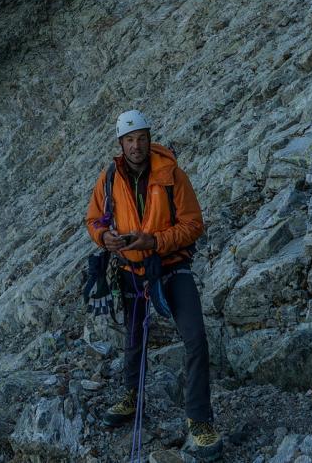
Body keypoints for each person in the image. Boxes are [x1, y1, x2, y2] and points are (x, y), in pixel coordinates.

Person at [85, 109, 223, 460]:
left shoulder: (171, 174)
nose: (136, 145)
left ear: (149, 139)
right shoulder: (109, 178)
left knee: (195, 339)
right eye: (130, 140)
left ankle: (200, 420)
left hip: (170, 265)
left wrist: (154, 242)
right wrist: (105, 238)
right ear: (121, 143)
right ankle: (132, 395)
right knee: (133, 340)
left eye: (141, 138)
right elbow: (93, 219)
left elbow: (194, 224)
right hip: (131, 269)